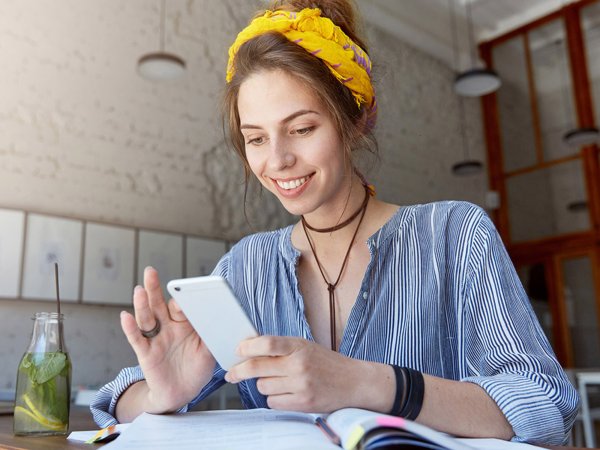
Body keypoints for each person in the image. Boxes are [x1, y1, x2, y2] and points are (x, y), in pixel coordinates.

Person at [91, 0, 578, 444]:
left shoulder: (453, 235)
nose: (277, 160)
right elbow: (114, 405)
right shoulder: (247, 266)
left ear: (357, 119)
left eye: (301, 128)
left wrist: (367, 383)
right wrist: (163, 396)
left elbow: (546, 405)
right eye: (256, 138)